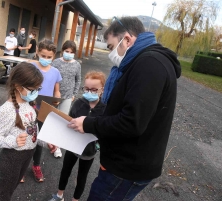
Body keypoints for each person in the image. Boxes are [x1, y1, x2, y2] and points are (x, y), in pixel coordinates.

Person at [68, 16, 181, 200]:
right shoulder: (143, 61)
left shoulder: (149, 64)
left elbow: (131, 122)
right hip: (124, 163)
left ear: (127, 39)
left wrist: (89, 124)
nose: (111, 54)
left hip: (126, 168)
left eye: (112, 47)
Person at [0, 63, 57, 201]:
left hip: (27, 155)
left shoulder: (30, 105)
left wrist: (46, 143)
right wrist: (13, 141)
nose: (36, 92)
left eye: (38, 88)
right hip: (12, 158)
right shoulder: (6, 110)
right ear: (17, 86)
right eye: (33, 89)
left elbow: (34, 134)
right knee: (4, 194)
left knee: (12, 187)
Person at [49, 71, 106, 201]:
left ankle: (75, 199)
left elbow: (104, 129)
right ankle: (59, 195)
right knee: (65, 170)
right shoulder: (79, 103)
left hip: (89, 149)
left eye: (94, 89)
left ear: (102, 89)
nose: (89, 92)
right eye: (86, 88)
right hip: (72, 145)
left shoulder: (104, 108)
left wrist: (98, 143)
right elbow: (69, 121)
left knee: (82, 176)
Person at [20, 38, 62, 183]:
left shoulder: (55, 72)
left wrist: (57, 100)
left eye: (49, 57)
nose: (45, 59)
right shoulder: (30, 66)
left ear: (54, 56)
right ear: (37, 52)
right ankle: (22, 167)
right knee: (25, 137)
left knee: (39, 139)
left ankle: (36, 166)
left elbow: (57, 91)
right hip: (27, 107)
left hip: (44, 110)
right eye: (43, 55)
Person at [51, 40, 81, 158]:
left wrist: (74, 93)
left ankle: (57, 146)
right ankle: (49, 141)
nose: (68, 53)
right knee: (52, 119)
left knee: (62, 121)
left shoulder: (77, 65)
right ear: (62, 51)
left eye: (71, 52)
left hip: (68, 96)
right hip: (54, 95)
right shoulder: (56, 62)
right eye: (66, 51)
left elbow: (78, 79)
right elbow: (51, 76)